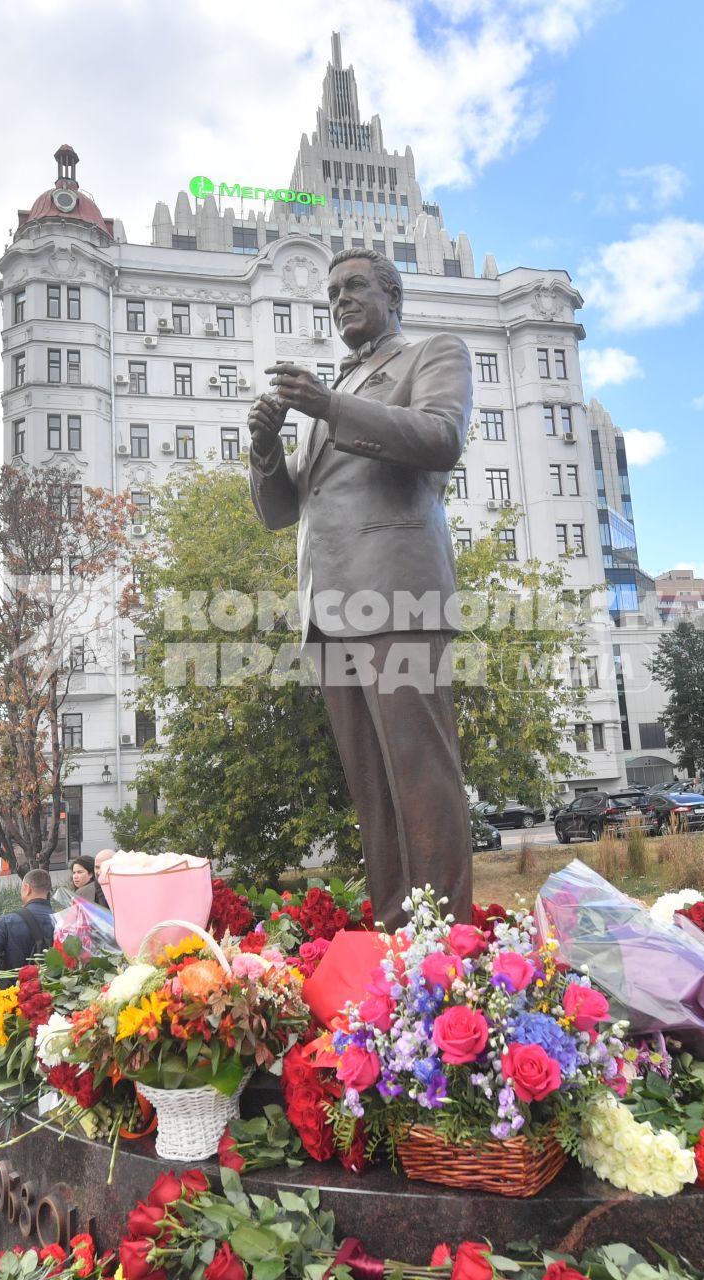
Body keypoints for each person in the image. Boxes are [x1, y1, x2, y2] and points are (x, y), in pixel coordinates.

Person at [247, 248, 473, 929]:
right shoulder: (332, 397)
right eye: (332, 293)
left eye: (353, 287)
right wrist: (265, 447)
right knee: (371, 790)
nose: (339, 299)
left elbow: (440, 438)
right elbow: (281, 511)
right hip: (328, 607)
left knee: (420, 775)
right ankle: (397, 938)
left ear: (391, 294)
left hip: (399, 594)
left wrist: (328, 403)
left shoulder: (432, 353)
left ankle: (449, 946)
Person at [0, 869, 58, 987]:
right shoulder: (61, 921)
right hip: (52, 996)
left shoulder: (9, 921)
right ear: (48, 890)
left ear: (27, 888)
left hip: (14, 996)